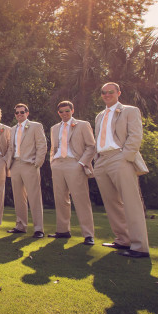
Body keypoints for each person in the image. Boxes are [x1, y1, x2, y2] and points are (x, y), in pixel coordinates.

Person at [94, 83, 150, 258]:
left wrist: (126, 156)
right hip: (102, 160)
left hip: (120, 157)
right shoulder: (99, 116)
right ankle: (122, 239)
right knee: (112, 203)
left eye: (111, 92)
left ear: (118, 93)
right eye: (104, 92)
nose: (107, 94)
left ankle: (139, 247)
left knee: (131, 202)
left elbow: (135, 135)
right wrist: (97, 160)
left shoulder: (130, 110)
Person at [49, 101, 96, 245]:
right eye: (61, 111)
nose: (64, 114)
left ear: (73, 110)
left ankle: (88, 235)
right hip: (58, 165)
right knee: (60, 199)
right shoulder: (54, 128)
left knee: (81, 199)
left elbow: (91, 146)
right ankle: (63, 230)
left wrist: (81, 163)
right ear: (58, 113)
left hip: (75, 164)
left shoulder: (82, 125)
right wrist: (52, 162)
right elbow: (53, 147)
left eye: (67, 111)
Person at [8, 104, 47, 238]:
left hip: (30, 164)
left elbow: (42, 145)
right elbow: (10, 148)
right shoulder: (12, 129)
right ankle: (20, 226)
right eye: (17, 113)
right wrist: (9, 163)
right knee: (19, 197)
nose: (20, 114)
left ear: (27, 113)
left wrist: (37, 163)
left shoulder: (36, 126)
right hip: (15, 165)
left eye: (22, 112)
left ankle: (38, 229)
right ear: (15, 115)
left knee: (34, 197)